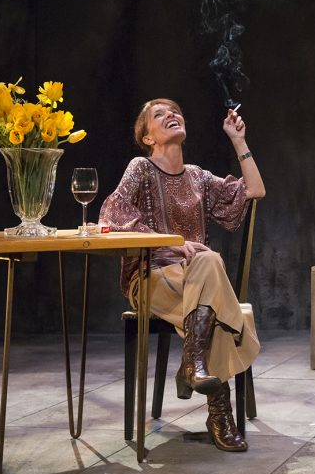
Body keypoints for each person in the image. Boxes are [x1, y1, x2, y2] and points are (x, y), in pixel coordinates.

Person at [99, 98, 265, 452]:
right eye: (159, 114)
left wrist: (238, 140)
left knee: (208, 262)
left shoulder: (198, 177)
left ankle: (194, 361)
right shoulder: (141, 168)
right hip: (151, 277)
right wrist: (173, 244)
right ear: (148, 138)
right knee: (217, 295)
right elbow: (111, 216)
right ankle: (218, 411)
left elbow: (255, 191)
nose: (171, 115)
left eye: (174, 111)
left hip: (197, 278)